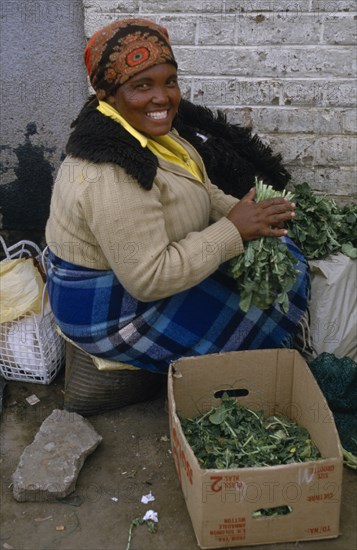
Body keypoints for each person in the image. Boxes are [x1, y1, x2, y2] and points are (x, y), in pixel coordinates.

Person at [45, 18, 309, 375]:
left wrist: (247, 213)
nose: (163, 97)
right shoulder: (110, 174)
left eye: (170, 82)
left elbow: (199, 186)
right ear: (107, 93)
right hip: (108, 307)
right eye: (142, 85)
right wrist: (234, 230)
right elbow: (149, 278)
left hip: (134, 275)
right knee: (267, 310)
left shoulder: (152, 133)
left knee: (286, 259)